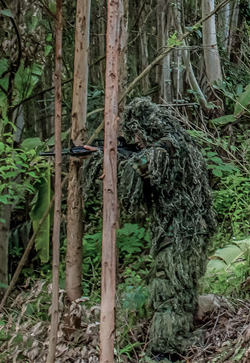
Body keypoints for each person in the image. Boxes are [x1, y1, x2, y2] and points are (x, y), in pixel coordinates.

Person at [86, 97, 215, 361]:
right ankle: (178, 339)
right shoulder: (181, 142)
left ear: (148, 128)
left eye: (137, 133)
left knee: (168, 290)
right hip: (187, 230)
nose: (136, 140)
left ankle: (165, 351)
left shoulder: (167, 146)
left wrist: (108, 159)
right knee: (180, 289)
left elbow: (142, 165)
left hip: (180, 233)